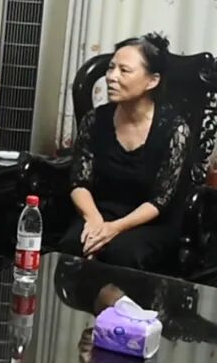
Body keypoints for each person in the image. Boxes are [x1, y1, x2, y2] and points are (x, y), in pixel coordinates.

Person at [56, 33, 192, 271]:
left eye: (124, 71)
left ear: (152, 81)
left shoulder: (174, 129)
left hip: (149, 223)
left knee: (123, 255)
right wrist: (94, 220)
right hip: (100, 212)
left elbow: (160, 200)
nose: (111, 77)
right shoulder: (95, 120)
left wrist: (114, 229)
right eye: (111, 68)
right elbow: (79, 182)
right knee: (72, 246)